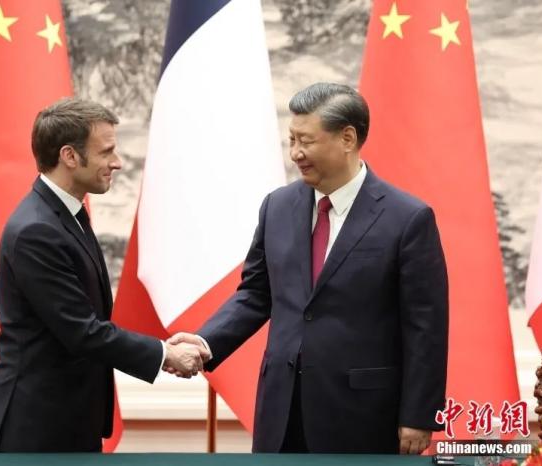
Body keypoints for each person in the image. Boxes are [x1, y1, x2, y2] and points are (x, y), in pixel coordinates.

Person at [168, 83, 449, 454]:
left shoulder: (407, 218)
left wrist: (419, 414)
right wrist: (205, 342)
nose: (295, 153)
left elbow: (425, 326)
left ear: (347, 138)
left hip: (363, 414)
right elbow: (256, 294)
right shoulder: (277, 207)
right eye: (292, 140)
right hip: (281, 409)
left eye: (306, 141)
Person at [0, 98, 207, 452]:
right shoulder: (36, 230)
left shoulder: (63, 214)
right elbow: (82, 331)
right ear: (70, 156)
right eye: (106, 152)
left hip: (66, 421)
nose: (117, 162)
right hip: (36, 431)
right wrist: (164, 354)